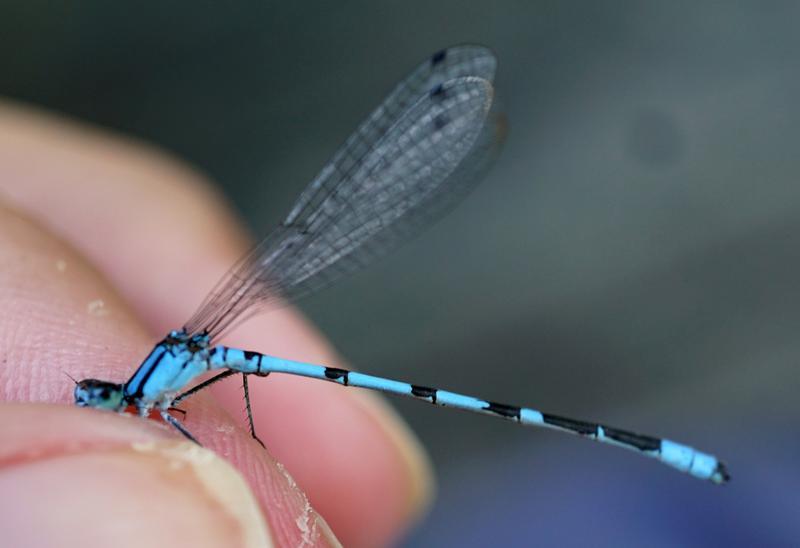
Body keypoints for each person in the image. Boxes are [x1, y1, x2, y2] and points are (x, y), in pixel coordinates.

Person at [0, 102, 432, 547]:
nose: (99, 405)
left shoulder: (149, 390)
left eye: (100, 399)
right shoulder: (146, 393)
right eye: (98, 400)